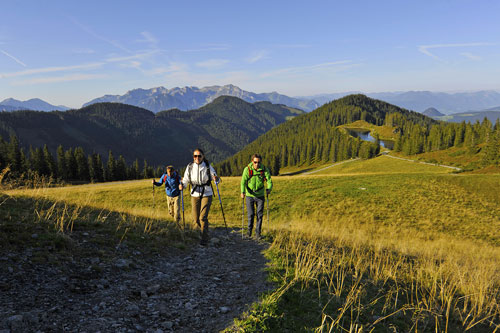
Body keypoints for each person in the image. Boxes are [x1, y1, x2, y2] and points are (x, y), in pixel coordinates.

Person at [179, 148, 221, 246]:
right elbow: (185, 180)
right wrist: (182, 186)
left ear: (203, 156)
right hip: (194, 194)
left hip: (207, 193)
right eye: (195, 156)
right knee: (195, 218)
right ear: (193, 157)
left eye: (199, 156)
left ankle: (204, 238)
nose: (197, 158)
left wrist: (216, 179)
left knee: (203, 217)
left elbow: (216, 179)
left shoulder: (207, 167)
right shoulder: (190, 167)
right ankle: (197, 235)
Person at [240, 154, 273, 240]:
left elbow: (269, 180)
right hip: (249, 195)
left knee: (260, 214)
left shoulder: (264, 170)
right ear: (252, 162)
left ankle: (258, 233)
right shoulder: (247, 170)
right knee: (251, 214)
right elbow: (243, 181)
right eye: (255, 162)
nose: (257, 164)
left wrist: (269, 188)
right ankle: (249, 232)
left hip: (260, 195)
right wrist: (242, 192)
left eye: (258, 162)